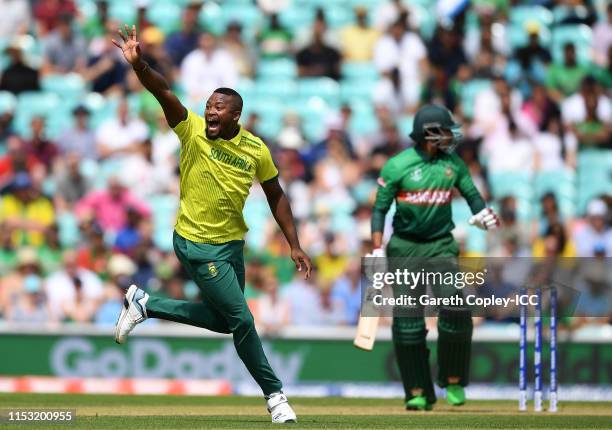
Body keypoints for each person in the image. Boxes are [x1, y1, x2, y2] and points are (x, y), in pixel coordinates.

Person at [111, 24, 312, 423]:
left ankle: (146, 304)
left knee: (224, 320)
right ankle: (275, 396)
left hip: (231, 244)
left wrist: (294, 242)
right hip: (196, 242)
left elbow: (276, 195)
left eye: (218, 108)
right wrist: (140, 67)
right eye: (208, 106)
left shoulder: (256, 148)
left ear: (236, 115)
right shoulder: (192, 131)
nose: (210, 112)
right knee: (242, 319)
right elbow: (162, 91)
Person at [369, 104, 500, 410]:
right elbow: (379, 210)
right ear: (428, 133)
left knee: (455, 309)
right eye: (443, 131)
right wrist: (376, 249)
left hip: (441, 245)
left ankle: (453, 380)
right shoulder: (397, 165)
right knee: (408, 324)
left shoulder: (452, 164)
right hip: (405, 248)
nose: (449, 137)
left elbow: (471, 193)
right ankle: (417, 390)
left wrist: (481, 212)